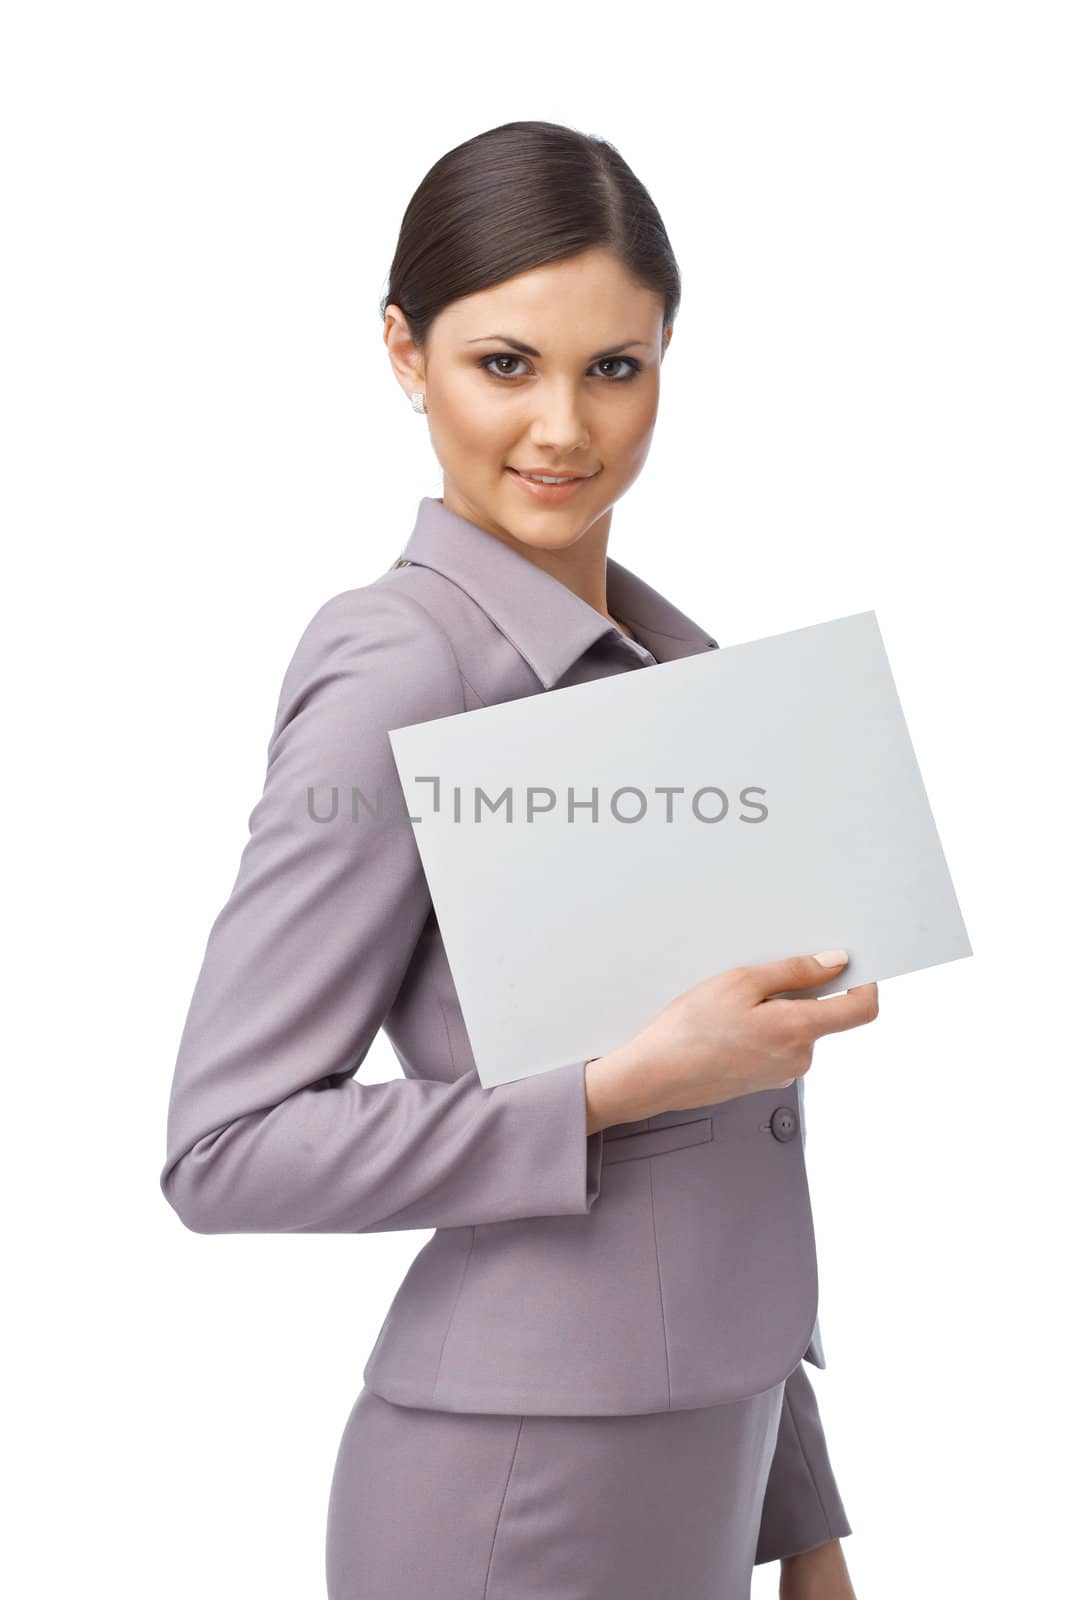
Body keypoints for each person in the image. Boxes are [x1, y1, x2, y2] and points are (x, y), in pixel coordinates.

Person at [160, 119, 879, 1600]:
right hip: (520, 1492)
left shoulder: (680, 671)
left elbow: (724, 1152)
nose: (563, 428)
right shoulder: (401, 672)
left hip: (705, 1461)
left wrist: (802, 1519)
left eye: (614, 366)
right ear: (404, 355)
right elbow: (221, 1150)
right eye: (505, 365)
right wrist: (623, 1087)